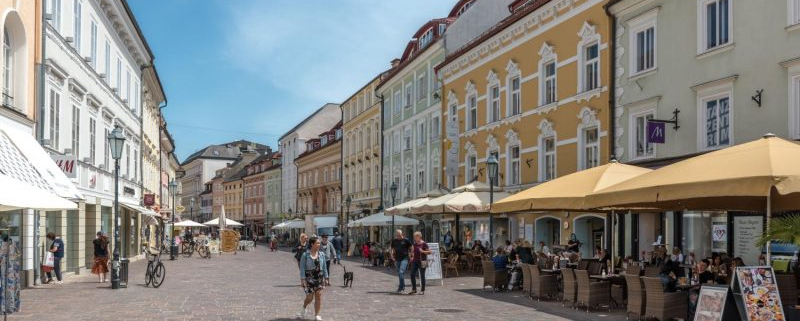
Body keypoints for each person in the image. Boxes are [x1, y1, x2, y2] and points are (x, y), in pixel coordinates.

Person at [298, 236, 329, 321]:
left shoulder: (321, 254)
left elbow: (325, 267)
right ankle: (304, 308)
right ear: (312, 244)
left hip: (319, 278)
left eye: (319, 243)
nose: (319, 244)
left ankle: (317, 315)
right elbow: (302, 268)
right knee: (310, 298)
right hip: (309, 279)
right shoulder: (305, 255)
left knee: (318, 296)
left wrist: (326, 278)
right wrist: (303, 280)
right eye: (317, 243)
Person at [390, 230, 412, 294]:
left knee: (401, 272)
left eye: (399, 234)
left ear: (402, 234)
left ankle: (401, 287)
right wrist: (391, 255)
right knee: (400, 274)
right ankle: (402, 286)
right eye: (397, 234)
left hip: (405, 258)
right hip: (397, 259)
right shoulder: (394, 241)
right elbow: (391, 248)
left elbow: (411, 247)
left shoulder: (406, 240)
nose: (398, 235)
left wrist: (411, 255)